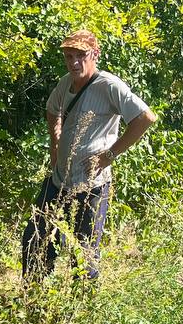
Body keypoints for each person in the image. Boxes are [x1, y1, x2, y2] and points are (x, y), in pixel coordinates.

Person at [22, 30, 157, 280]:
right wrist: (56, 145)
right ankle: (34, 299)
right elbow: (53, 110)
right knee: (35, 240)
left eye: (80, 55)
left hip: (91, 185)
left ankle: (81, 308)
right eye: (69, 56)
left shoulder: (108, 86)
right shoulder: (66, 83)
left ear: (95, 54)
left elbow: (145, 118)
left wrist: (109, 156)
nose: (74, 62)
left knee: (83, 253)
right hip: (59, 181)